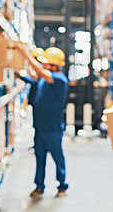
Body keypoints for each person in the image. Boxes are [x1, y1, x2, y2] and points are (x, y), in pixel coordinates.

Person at [16, 46, 69, 198]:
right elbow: (34, 77)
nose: (43, 65)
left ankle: (62, 185)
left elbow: (39, 72)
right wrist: (17, 73)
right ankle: (39, 186)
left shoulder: (59, 79)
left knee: (57, 158)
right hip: (40, 128)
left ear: (54, 65)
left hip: (52, 129)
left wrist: (25, 54)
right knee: (40, 158)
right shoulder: (44, 79)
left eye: (46, 63)